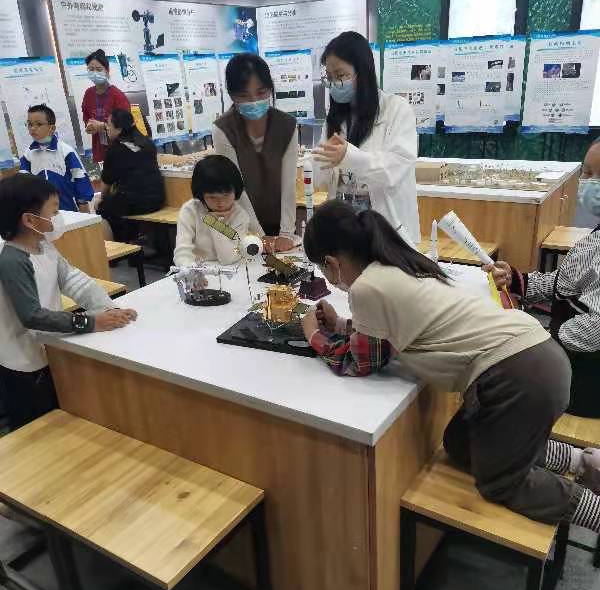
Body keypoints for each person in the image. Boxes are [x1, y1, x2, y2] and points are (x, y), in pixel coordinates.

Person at [300, 200, 600, 535]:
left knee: (502, 483)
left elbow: (359, 361)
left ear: (331, 263)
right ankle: (581, 461)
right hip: (538, 355)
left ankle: (595, 510)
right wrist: (341, 326)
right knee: (460, 441)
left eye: (323, 270)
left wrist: (312, 333)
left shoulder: (365, 288)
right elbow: (389, 335)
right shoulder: (399, 264)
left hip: (516, 376)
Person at [0, 174, 137, 431]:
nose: (58, 217)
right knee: (35, 427)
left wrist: (109, 309)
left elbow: (74, 280)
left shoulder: (42, 246)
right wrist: (91, 322)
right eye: (53, 211)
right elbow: (32, 316)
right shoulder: (12, 260)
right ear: (30, 220)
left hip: (48, 346)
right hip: (23, 363)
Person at [485, 139, 600, 419]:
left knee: (492, 394)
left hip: (583, 379)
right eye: (587, 173)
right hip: (565, 357)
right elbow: (565, 282)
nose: (592, 184)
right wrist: (516, 280)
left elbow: (594, 329)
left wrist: (539, 339)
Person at [312, 31, 420, 244]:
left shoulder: (396, 110)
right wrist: (319, 162)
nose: (334, 84)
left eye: (340, 75)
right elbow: (320, 180)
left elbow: (395, 168)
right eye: (330, 77)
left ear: (363, 71)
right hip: (345, 231)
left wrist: (349, 157)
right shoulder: (335, 119)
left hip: (388, 232)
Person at [212, 53, 298, 252]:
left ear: (270, 89)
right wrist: (259, 235)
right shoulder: (223, 129)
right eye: (244, 95)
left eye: (261, 92)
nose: (253, 101)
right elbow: (236, 188)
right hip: (241, 225)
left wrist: (286, 233)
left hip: (280, 222)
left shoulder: (286, 126)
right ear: (232, 95)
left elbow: (288, 184)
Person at [98, 108, 165, 241]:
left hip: (136, 204)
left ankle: (122, 247)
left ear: (119, 128)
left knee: (102, 208)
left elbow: (106, 184)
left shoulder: (115, 150)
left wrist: (101, 200)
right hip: (158, 200)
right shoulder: (147, 143)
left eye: (109, 125)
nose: (107, 128)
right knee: (120, 203)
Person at [174, 155, 250, 267]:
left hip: (230, 268)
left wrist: (214, 222)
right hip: (198, 268)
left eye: (226, 195)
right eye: (212, 197)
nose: (221, 203)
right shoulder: (190, 210)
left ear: (235, 191)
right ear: (201, 194)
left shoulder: (240, 216)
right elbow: (182, 252)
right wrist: (190, 270)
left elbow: (228, 258)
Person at [20, 104, 94, 213]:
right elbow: (23, 184)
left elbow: (80, 179)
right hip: (42, 213)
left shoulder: (66, 151)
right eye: (30, 124)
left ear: (52, 128)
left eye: (38, 124)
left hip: (69, 211)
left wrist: (84, 209)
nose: (32, 128)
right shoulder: (27, 155)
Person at [82, 49, 130, 164]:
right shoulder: (89, 93)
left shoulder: (118, 96)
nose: (94, 73)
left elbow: (126, 126)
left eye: (99, 69)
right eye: (91, 69)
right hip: (99, 149)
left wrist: (103, 126)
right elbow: (86, 116)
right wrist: (89, 126)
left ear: (107, 71)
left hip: (119, 150)